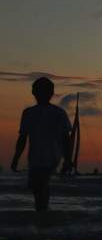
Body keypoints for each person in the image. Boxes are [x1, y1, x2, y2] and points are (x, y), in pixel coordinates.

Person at [11, 77, 72, 213]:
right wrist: (16, 158)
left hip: (52, 156)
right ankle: (43, 215)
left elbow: (66, 138)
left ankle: (43, 215)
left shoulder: (58, 113)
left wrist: (68, 159)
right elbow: (23, 138)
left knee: (41, 184)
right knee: (36, 187)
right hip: (35, 157)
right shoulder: (29, 113)